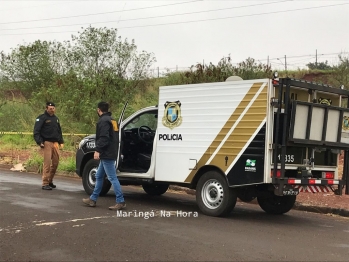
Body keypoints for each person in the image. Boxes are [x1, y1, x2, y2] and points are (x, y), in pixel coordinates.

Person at [83, 101, 126, 210]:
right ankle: (93, 199)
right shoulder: (113, 121)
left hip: (106, 153)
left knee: (112, 177)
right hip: (111, 152)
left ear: (99, 110)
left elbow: (104, 137)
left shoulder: (103, 121)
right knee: (98, 176)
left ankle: (120, 201)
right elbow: (115, 137)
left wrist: (98, 150)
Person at [33, 102, 64, 190]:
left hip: (55, 143)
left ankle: (50, 181)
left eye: (53, 108)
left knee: (55, 163)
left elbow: (59, 131)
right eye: (50, 108)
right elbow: (36, 131)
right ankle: (45, 183)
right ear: (47, 108)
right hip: (46, 143)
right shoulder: (41, 118)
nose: (52, 110)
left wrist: (61, 141)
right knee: (47, 163)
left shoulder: (56, 119)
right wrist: (39, 142)